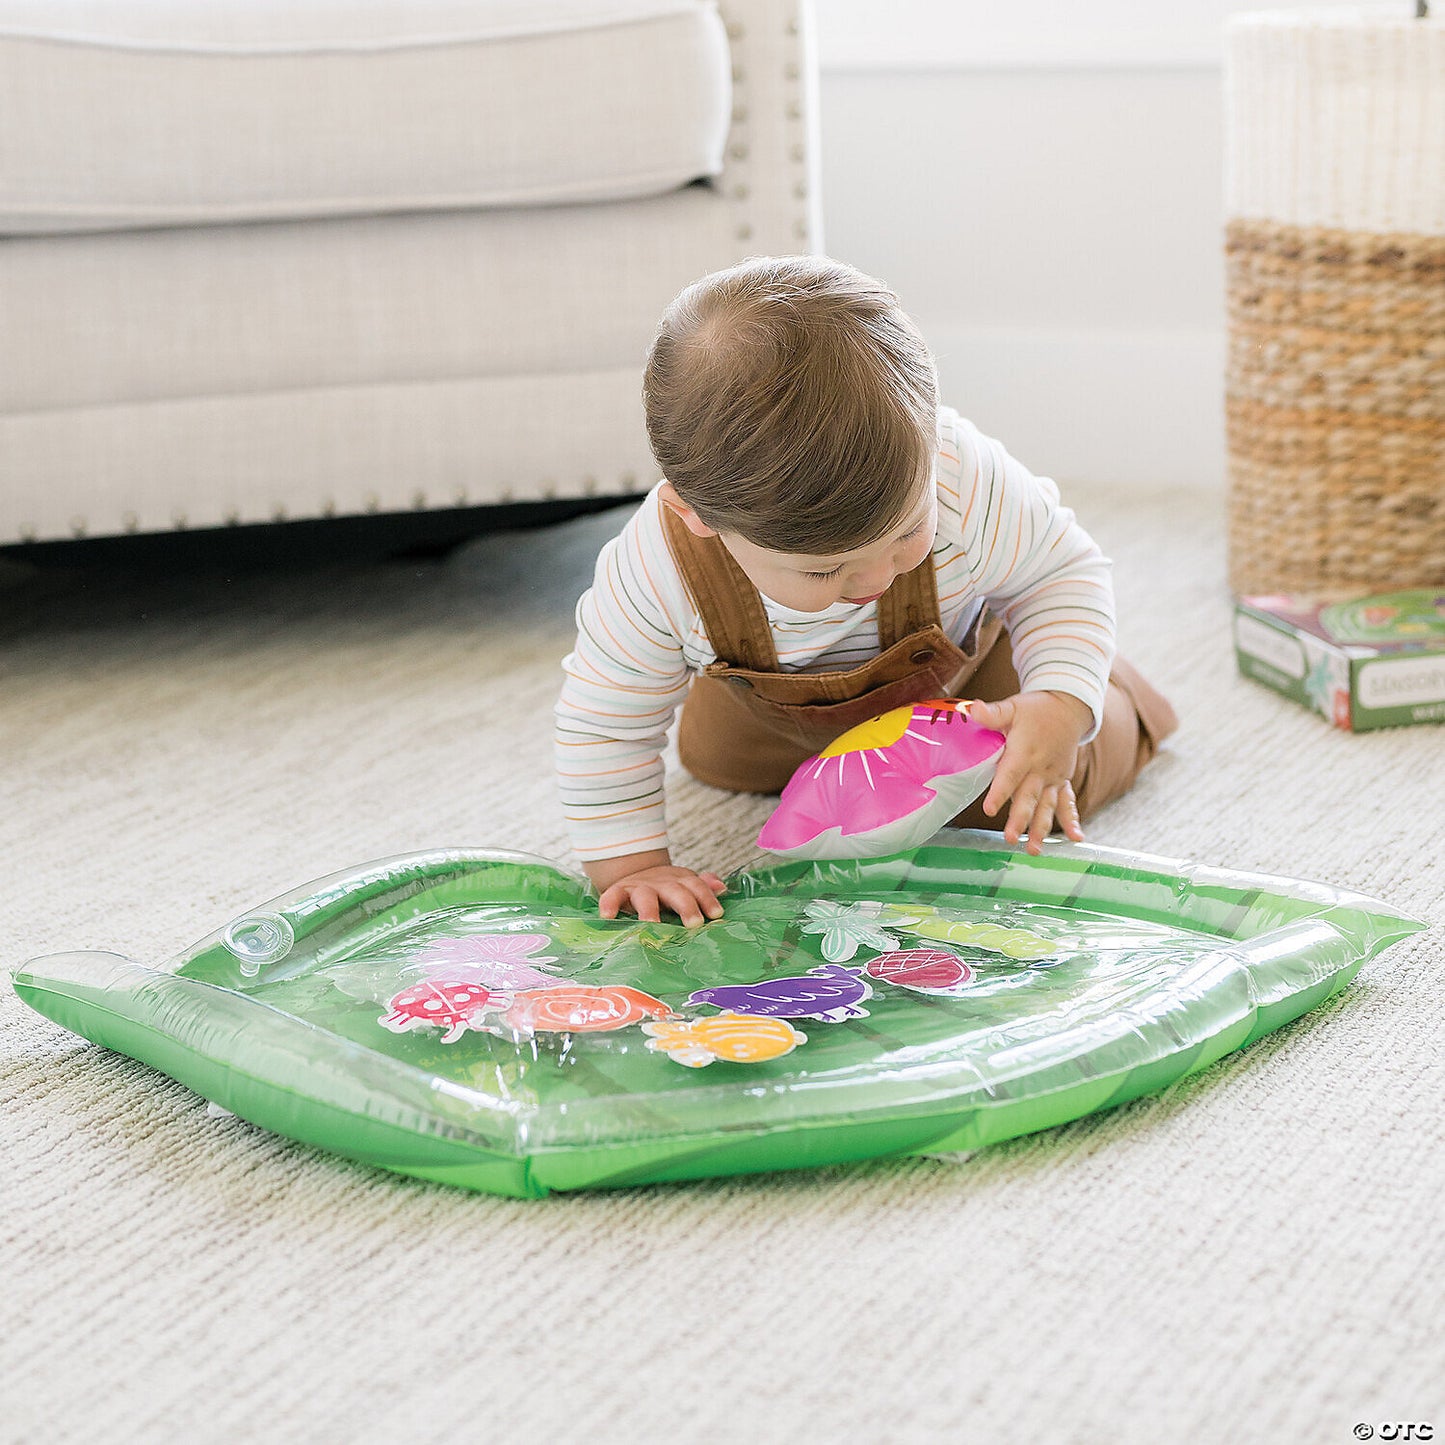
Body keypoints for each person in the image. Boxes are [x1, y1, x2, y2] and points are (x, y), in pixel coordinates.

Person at [555, 256, 1176, 925]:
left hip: (965, 689)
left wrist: (1058, 704)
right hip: (772, 706)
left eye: (908, 533)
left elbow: (1060, 575)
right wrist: (633, 866)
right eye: (824, 571)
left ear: (930, 436)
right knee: (712, 758)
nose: (879, 580)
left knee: (1028, 787)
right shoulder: (654, 571)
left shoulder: (962, 478)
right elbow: (605, 727)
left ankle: (1105, 689)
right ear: (699, 517)